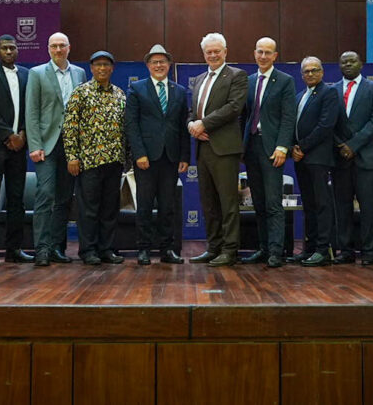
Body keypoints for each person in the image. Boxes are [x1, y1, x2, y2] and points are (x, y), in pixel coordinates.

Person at [187, 32, 249, 267]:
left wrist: (203, 124)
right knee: (209, 203)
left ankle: (230, 250)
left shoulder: (237, 76)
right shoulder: (199, 79)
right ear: (203, 54)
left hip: (224, 149)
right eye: (208, 52)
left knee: (228, 203)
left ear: (225, 52)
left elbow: (234, 107)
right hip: (203, 148)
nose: (212, 55)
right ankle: (213, 248)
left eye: (216, 51)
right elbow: (192, 112)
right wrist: (192, 125)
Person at [25, 32, 86, 267]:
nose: (58, 50)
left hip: (72, 146)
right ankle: (41, 249)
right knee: (45, 195)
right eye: (54, 46)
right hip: (47, 144)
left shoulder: (79, 73)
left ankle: (57, 248)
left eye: (62, 46)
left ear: (69, 48)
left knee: (64, 199)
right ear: (48, 49)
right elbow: (32, 111)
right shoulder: (37, 73)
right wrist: (35, 145)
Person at [124, 44, 189, 265]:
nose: (159, 65)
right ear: (148, 65)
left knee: (167, 207)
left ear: (169, 65)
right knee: (144, 205)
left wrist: (184, 156)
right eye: (154, 62)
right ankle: (143, 249)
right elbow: (131, 125)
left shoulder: (179, 91)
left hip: (170, 157)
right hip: (146, 158)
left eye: (162, 61)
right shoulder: (137, 88)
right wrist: (139, 154)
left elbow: (182, 126)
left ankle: (167, 249)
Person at [64, 51, 127, 266]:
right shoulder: (80, 93)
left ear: (112, 68)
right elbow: (70, 127)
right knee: (88, 209)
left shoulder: (119, 94)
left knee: (110, 209)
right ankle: (88, 250)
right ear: (91, 68)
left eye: (106, 65)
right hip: (88, 161)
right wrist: (72, 156)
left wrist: (127, 158)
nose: (102, 68)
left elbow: (125, 127)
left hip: (114, 161)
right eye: (98, 65)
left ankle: (106, 249)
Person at [0, 35, 33, 266]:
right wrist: (8, 135)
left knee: (16, 199)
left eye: (12, 48)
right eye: (4, 48)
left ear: (17, 50)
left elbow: (30, 107)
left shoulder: (27, 74)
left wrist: (22, 133)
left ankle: (14, 249)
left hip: (20, 146)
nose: (9, 51)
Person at [241, 37, 296, 268]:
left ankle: (276, 252)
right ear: (254, 53)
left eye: (268, 52)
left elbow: (288, 117)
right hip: (251, 147)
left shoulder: (285, 81)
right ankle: (263, 249)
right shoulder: (248, 81)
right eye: (260, 52)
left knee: (273, 203)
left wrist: (283, 146)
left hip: (273, 149)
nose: (263, 56)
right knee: (259, 202)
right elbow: (244, 116)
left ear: (275, 56)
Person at [332, 51, 373, 265]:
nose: (348, 64)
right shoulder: (332, 90)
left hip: (367, 158)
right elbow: (328, 122)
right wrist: (341, 145)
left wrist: (353, 145)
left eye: (352, 61)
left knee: (369, 207)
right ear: (339, 65)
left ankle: (369, 251)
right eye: (344, 61)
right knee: (342, 206)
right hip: (340, 158)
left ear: (361, 64)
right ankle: (345, 250)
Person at [289, 57, 340, 267]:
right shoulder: (299, 96)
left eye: (314, 70)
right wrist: (293, 147)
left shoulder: (329, 93)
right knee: (308, 205)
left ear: (322, 72)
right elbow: (292, 125)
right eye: (306, 71)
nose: (310, 74)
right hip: (300, 158)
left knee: (321, 204)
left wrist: (302, 147)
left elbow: (325, 125)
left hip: (318, 157)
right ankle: (309, 248)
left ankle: (323, 249)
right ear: (301, 75)